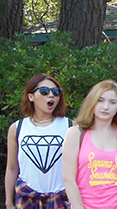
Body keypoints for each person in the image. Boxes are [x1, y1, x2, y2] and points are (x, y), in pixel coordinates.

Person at [62, 80, 117, 209]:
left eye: (112, 102)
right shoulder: (75, 134)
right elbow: (68, 179)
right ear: (92, 102)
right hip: (86, 204)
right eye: (100, 100)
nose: (105, 107)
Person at [5, 74, 70, 208]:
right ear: (31, 96)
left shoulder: (70, 126)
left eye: (56, 92)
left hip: (60, 199)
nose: (51, 95)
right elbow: (12, 168)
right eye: (45, 91)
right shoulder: (17, 128)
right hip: (26, 198)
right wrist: (8, 201)